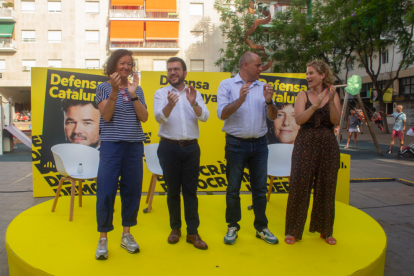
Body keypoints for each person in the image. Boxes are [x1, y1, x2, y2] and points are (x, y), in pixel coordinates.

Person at [217, 52, 278, 245]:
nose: (261, 68)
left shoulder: (263, 87)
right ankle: (233, 226)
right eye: (258, 65)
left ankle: (261, 227)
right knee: (233, 188)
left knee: (260, 189)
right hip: (235, 144)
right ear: (245, 65)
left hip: (260, 144)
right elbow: (222, 114)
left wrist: (269, 100)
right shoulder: (226, 85)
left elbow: (274, 116)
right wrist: (240, 100)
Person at [94, 49, 148, 260]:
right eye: (122, 63)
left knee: (131, 191)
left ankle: (126, 235)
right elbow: (106, 116)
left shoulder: (137, 89)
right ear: (113, 65)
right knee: (106, 191)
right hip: (111, 146)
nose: (126, 67)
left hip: (134, 146)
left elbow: (144, 118)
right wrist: (115, 91)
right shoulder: (103, 88)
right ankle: (103, 238)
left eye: (129, 64)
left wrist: (133, 93)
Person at [154, 57, 209, 250]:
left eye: (176, 69)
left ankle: (192, 232)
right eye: (169, 70)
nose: (172, 72)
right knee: (172, 191)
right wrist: (169, 104)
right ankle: (175, 228)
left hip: (191, 148)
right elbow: (159, 118)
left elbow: (205, 117)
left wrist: (193, 103)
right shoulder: (161, 93)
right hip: (168, 148)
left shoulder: (194, 93)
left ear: (184, 73)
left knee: (190, 192)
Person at [284, 60, 341, 245]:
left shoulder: (334, 94)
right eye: (307, 73)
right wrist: (315, 105)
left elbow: (335, 120)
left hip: (328, 146)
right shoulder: (302, 95)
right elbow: (299, 120)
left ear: (322, 75)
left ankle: (326, 230)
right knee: (299, 186)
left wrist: (331, 102)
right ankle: (293, 230)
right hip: (305, 145)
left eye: (311, 73)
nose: (308, 76)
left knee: (327, 187)